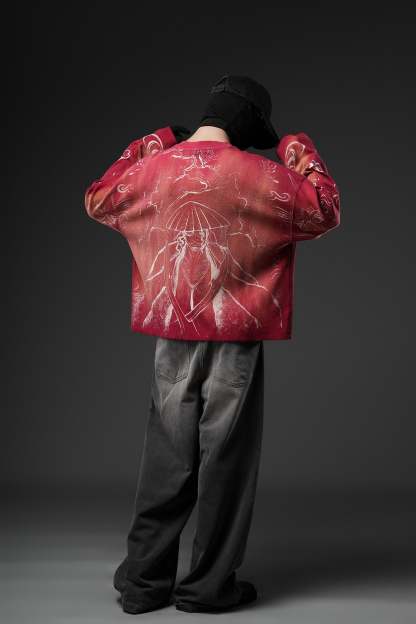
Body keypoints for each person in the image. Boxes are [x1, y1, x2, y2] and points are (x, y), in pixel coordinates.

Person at [84, 74, 341, 614]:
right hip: (234, 333)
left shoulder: (155, 170)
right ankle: (207, 587)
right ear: (248, 123)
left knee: (166, 455)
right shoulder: (262, 175)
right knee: (226, 458)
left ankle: (144, 582)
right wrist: (296, 147)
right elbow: (324, 208)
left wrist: (157, 140)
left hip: (172, 332)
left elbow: (99, 199)